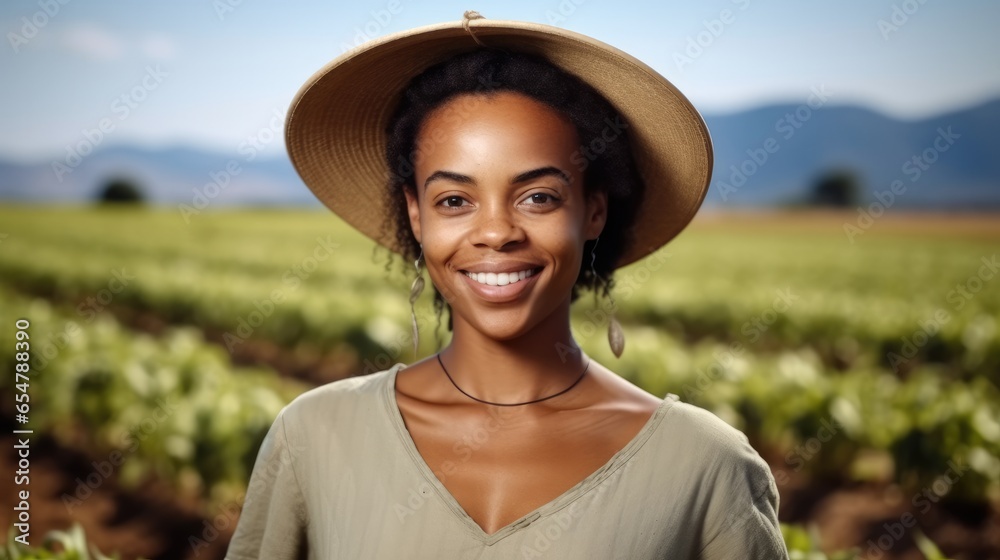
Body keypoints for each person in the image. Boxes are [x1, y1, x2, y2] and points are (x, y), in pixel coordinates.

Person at [225, 11, 788, 560]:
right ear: (417, 217)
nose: (495, 232)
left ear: (593, 212)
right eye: (454, 201)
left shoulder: (705, 467)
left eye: (538, 196)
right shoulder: (314, 437)